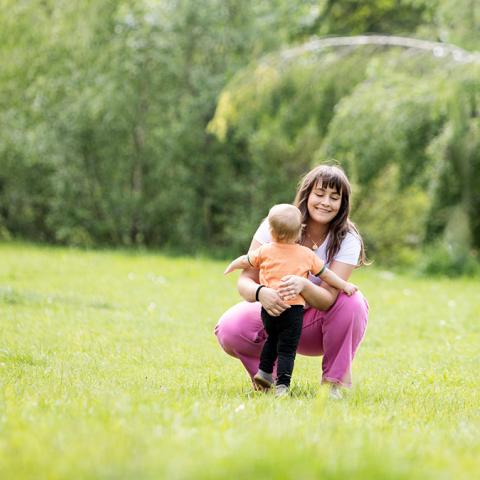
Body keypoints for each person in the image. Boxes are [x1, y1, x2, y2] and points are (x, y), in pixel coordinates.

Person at [215, 164, 369, 399]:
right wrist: (260, 293)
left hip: (313, 323)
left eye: (334, 197)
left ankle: (332, 384)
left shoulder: (348, 238)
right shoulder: (276, 223)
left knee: (353, 301)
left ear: (342, 204)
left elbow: (329, 298)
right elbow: (245, 281)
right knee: (229, 327)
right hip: (274, 314)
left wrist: (305, 286)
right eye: (320, 194)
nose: (325, 202)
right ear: (307, 194)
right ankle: (271, 379)